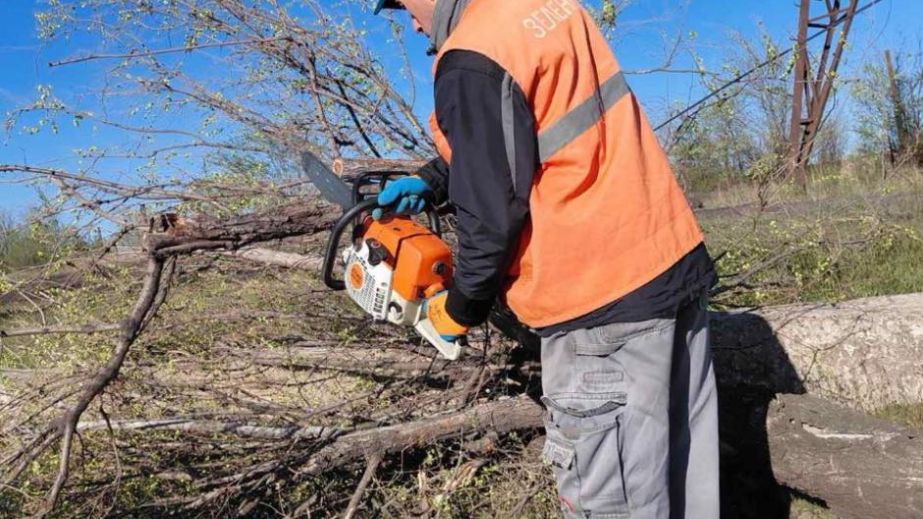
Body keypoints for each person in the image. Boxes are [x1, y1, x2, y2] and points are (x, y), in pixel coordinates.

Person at [373, 0, 720, 517]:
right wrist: (436, 178)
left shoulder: (470, 54)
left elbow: (491, 218)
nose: (413, 24)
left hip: (597, 308)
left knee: (612, 501)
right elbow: (538, 128)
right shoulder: (543, 7)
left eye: (403, 9)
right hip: (666, 261)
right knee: (687, 487)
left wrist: (460, 307)